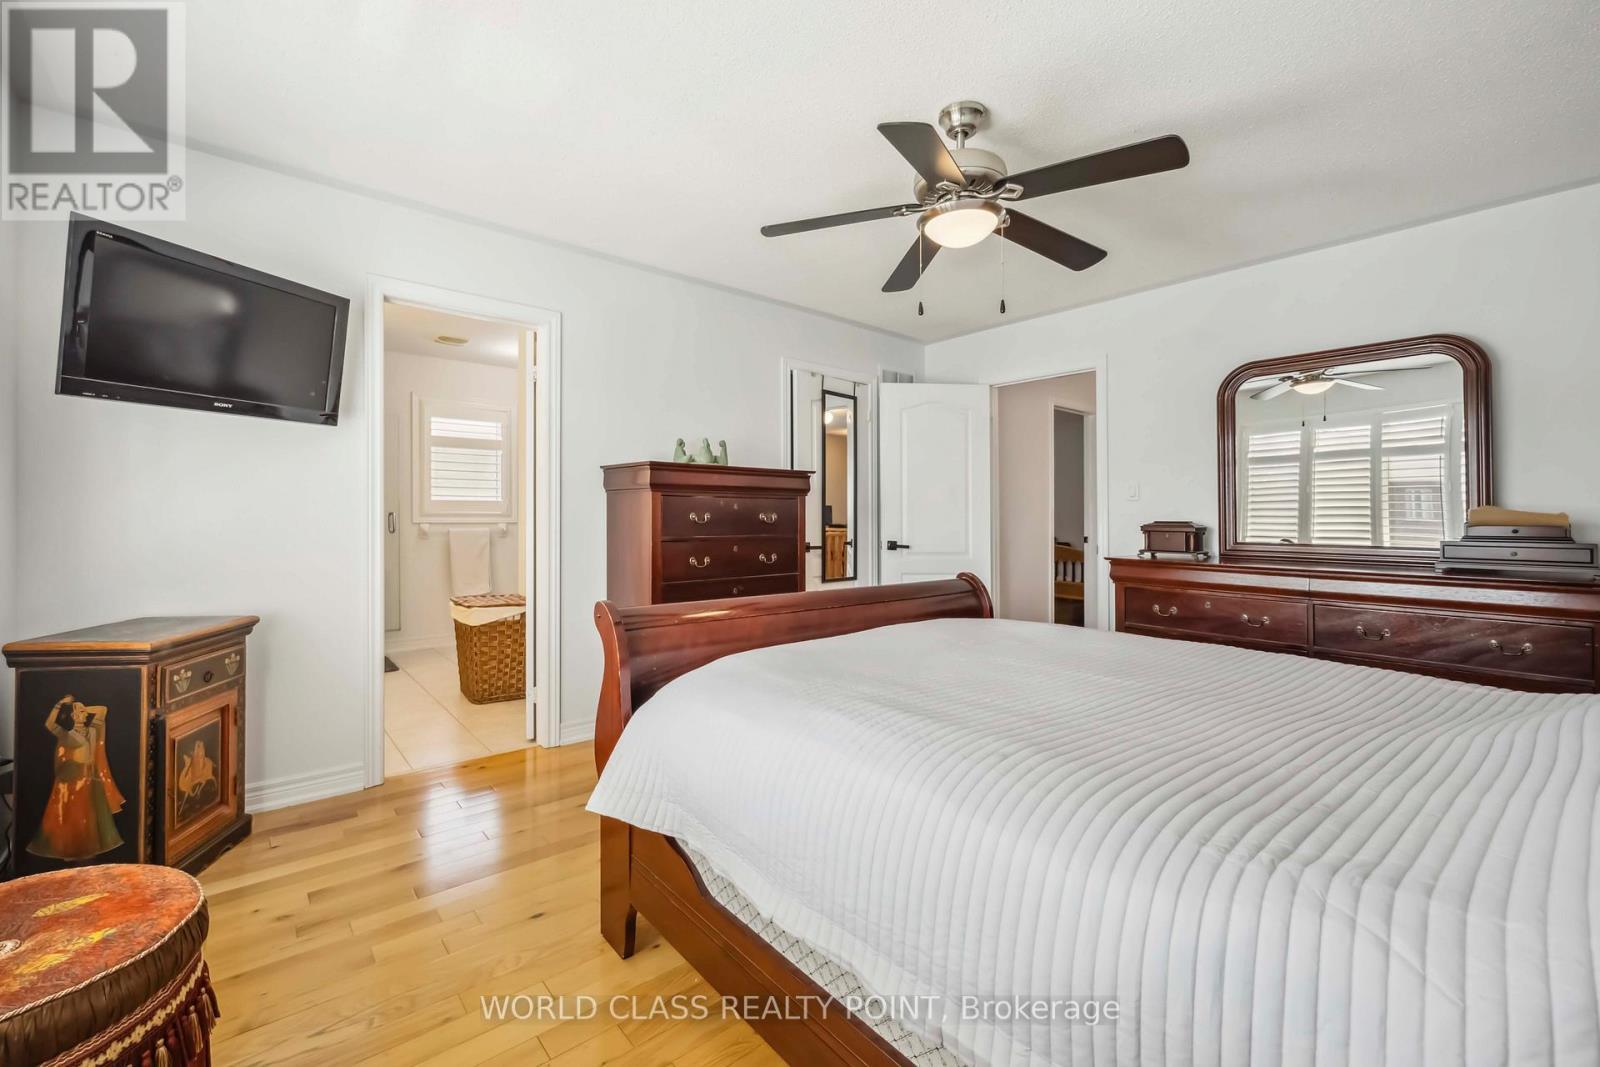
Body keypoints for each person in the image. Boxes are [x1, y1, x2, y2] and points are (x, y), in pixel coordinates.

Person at [27, 695, 126, 860]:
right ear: (73, 716)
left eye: (85, 711)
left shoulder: (92, 732)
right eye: (81, 711)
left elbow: (102, 709)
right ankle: (73, 856)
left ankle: (87, 859)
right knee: (71, 820)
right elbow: (50, 724)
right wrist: (61, 705)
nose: (86, 714)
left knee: (91, 824)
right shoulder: (66, 734)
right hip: (71, 783)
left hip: (89, 780)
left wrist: (77, 707)